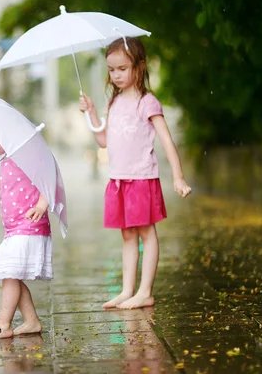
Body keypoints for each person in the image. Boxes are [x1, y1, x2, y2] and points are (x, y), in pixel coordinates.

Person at [79, 37, 192, 310]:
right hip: (119, 179)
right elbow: (104, 141)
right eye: (111, 69)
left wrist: (178, 176)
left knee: (146, 232)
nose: (116, 74)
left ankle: (145, 291)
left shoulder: (146, 102)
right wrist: (92, 114)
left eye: (122, 68)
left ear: (138, 67)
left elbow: (166, 140)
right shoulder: (114, 103)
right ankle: (128, 290)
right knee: (127, 236)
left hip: (141, 178)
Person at [0, 113, 52, 339]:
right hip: (14, 227)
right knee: (10, 274)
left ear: (1, 130)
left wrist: (42, 205)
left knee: (10, 273)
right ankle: (31, 321)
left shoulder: (26, 152)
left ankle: (3, 324)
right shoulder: (8, 157)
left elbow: (48, 178)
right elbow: (11, 189)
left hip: (29, 222)